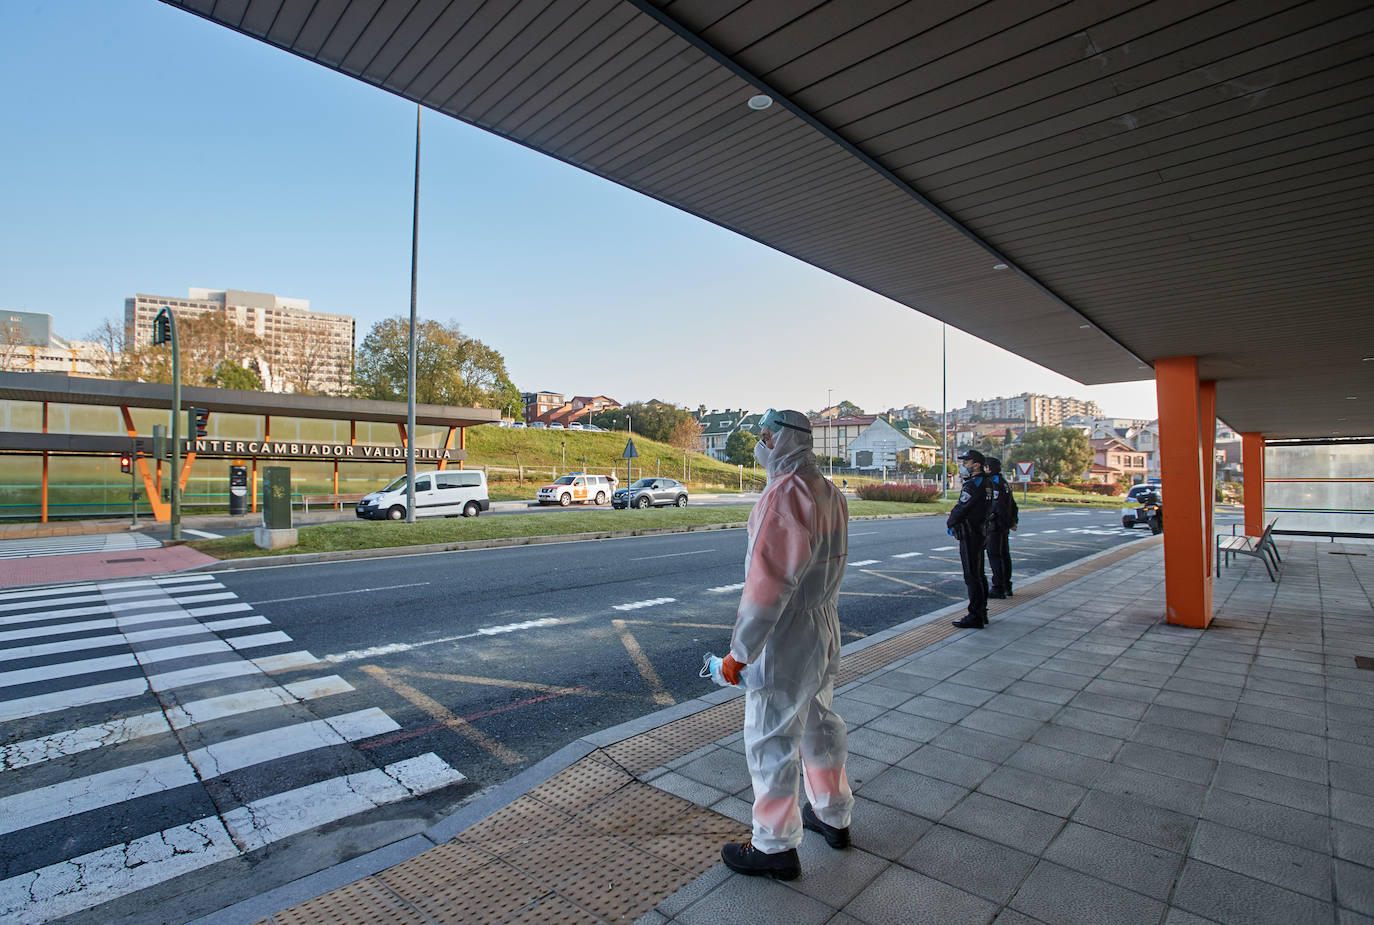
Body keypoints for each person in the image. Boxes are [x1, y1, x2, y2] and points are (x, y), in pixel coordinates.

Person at [717, 408, 853, 881]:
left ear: (784, 440)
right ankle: (832, 814)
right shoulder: (829, 491)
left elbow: (767, 586)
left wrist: (740, 652)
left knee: (772, 735)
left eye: (766, 436)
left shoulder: (784, 496)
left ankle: (773, 845)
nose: (761, 443)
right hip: (823, 625)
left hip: (788, 633)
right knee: (819, 721)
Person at [946, 448, 991, 628]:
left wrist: (951, 522)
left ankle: (975, 615)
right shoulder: (987, 483)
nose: (964, 465)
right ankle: (982, 611)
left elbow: (962, 507)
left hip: (971, 532)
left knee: (972, 574)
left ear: (976, 464)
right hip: (981, 531)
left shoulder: (974, 485)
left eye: (967, 462)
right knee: (979, 573)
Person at [983, 457, 1018, 599]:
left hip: (996, 526)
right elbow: (1013, 505)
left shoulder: (993, 483)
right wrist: (1013, 521)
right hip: (1003, 525)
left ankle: (998, 588)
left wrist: (988, 519)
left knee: (995, 555)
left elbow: (997, 506)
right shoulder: (1004, 483)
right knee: (1004, 555)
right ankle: (1006, 585)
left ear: (989, 468)